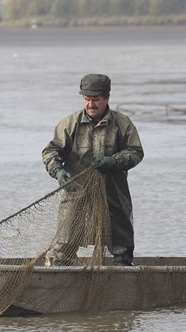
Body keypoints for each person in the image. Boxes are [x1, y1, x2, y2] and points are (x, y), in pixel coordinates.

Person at [42, 73, 144, 266]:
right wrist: (57, 170)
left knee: (121, 249)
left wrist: (113, 161)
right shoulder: (69, 124)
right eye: (87, 99)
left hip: (113, 196)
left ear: (106, 99)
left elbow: (136, 152)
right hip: (76, 195)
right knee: (64, 248)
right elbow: (51, 151)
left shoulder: (122, 124)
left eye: (96, 100)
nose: (91, 105)